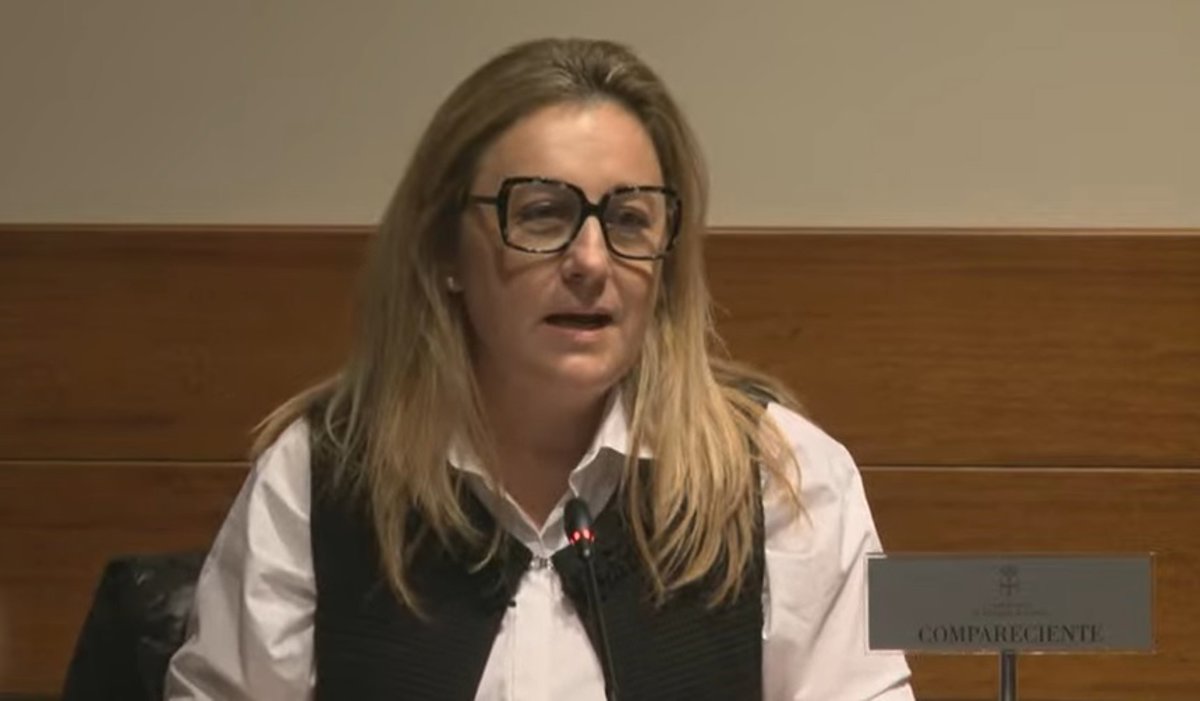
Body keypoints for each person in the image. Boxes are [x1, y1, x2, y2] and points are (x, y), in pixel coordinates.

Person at [164, 37, 914, 700]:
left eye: (629, 220)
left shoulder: (785, 479)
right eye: (542, 214)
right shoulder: (319, 476)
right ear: (444, 249)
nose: (591, 261)